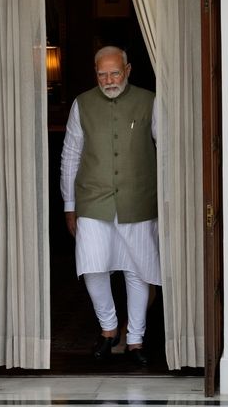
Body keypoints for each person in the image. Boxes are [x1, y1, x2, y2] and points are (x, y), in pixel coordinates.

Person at [60, 46, 160, 366]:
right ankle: (108, 330)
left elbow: (167, 151)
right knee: (92, 267)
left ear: (128, 70)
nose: (108, 79)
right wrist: (69, 204)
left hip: (138, 199)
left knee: (138, 270)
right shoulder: (82, 104)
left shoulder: (150, 101)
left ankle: (136, 339)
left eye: (114, 72)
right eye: (102, 74)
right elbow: (71, 155)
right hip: (93, 200)